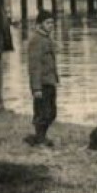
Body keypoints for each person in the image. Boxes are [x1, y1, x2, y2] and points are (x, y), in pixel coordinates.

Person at [24, 9, 59, 147]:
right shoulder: (36, 40)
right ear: (40, 24)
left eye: (52, 23)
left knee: (51, 112)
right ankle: (40, 138)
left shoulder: (46, 38)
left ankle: (42, 137)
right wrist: (36, 87)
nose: (51, 25)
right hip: (42, 83)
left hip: (50, 81)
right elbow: (34, 66)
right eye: (48, 23)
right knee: (42, 112)